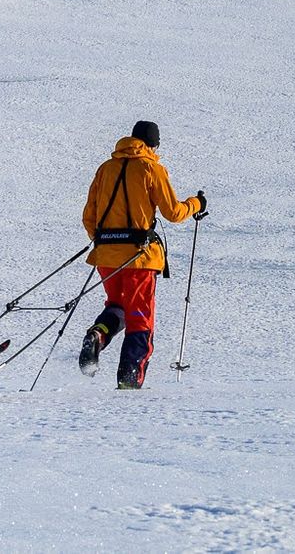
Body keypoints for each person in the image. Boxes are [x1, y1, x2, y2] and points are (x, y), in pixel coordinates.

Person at [77, 119, 206, 389]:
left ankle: (98, 336)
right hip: (140, 257)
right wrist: (197, 203)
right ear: (153, 144)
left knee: (117, 307)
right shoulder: (151, 168)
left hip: (106, 257)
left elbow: (89, 217)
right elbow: (173, 212)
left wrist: (108, 243)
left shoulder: (105, 169)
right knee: (140, 317)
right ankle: (129, 379)